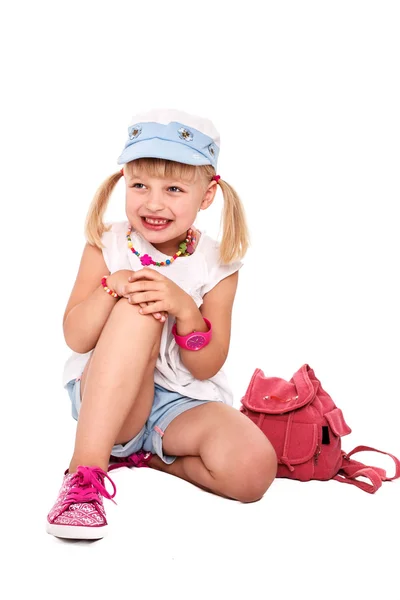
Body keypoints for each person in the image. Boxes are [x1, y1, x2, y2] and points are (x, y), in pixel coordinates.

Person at [46, 108, 278, 540]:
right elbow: (76, 337)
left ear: (206, 195)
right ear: (123, 183)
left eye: (173, 188)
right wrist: (112, 287)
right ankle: (84, 476)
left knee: (253, 472)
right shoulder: (107, 244)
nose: (153, 203)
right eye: (140, 186)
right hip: (112, 403)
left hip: (179, 403)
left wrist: (187, 311)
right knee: (141, 305)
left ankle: (147, 459)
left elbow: (205, 368)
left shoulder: (218, 263)